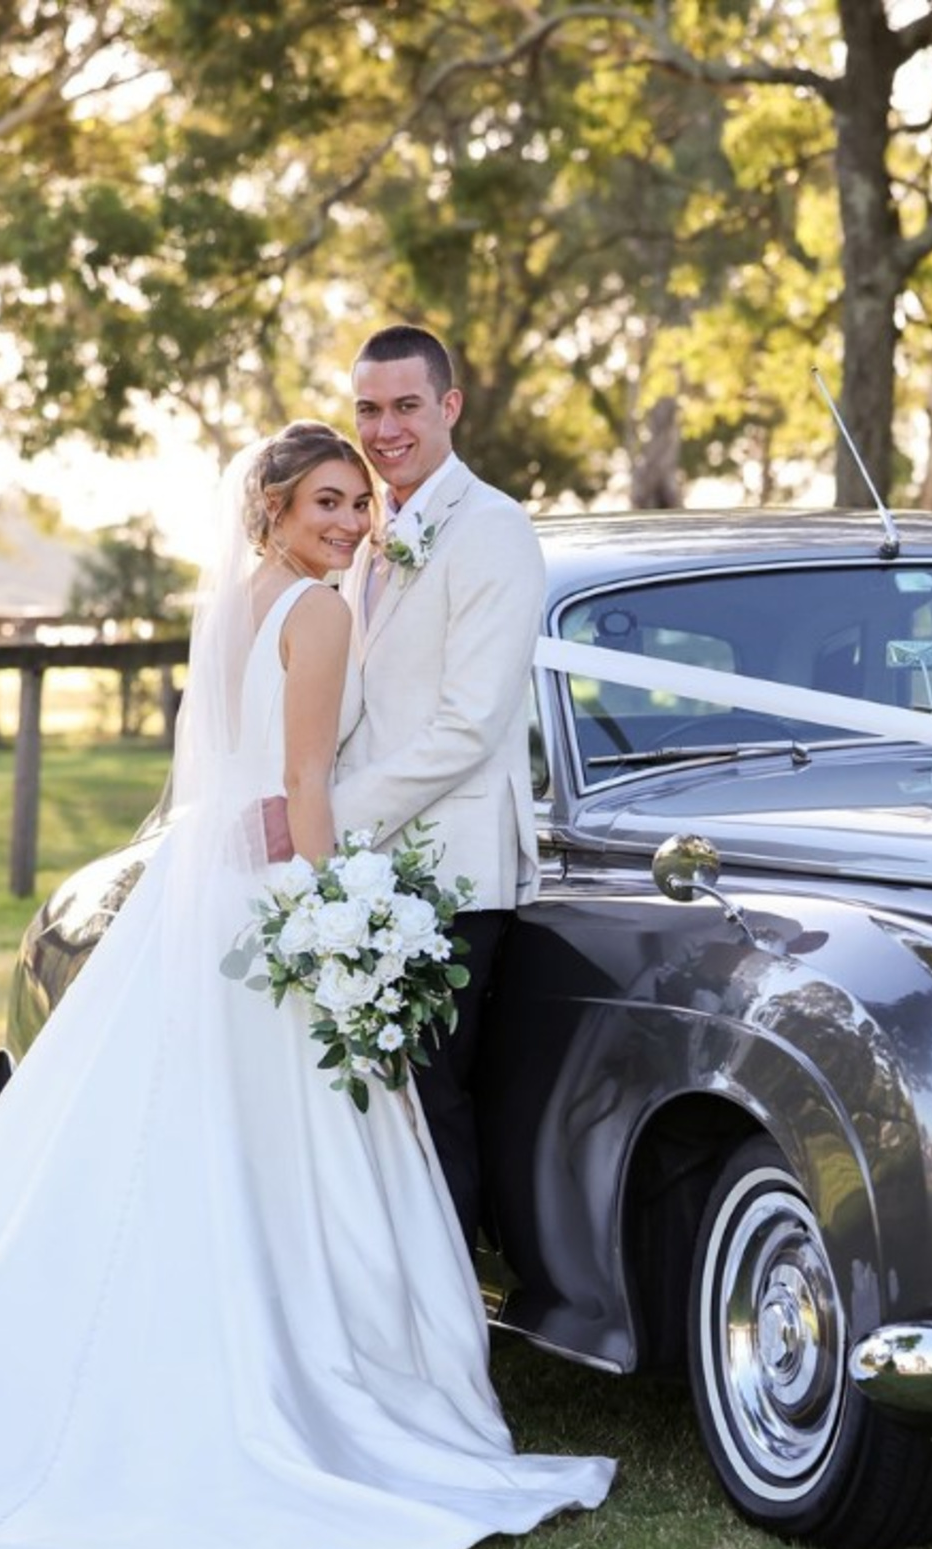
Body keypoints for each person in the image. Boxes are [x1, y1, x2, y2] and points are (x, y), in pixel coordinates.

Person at [0, 421, 613, 1549]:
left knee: (183, 1141)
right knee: (294, 1152)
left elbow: (231, 774)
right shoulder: (318, 611)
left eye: (356, 505)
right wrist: (340, 922)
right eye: (324, 502)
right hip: (276, 896)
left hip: (202, 889)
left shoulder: (237, 606)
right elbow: (307, 786)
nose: (347, 523)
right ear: (269, 506)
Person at [333, 325, 546, 1248]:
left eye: (406, 406)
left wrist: (331, 819)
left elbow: (469, 721)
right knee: (372, 1104)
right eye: (369, 409)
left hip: (450, 873)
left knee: (428, 1104)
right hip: (364, 874)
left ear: (449, 407)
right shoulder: (367, 538)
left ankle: (454, 1333)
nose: (386, 430)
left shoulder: (493, 528)